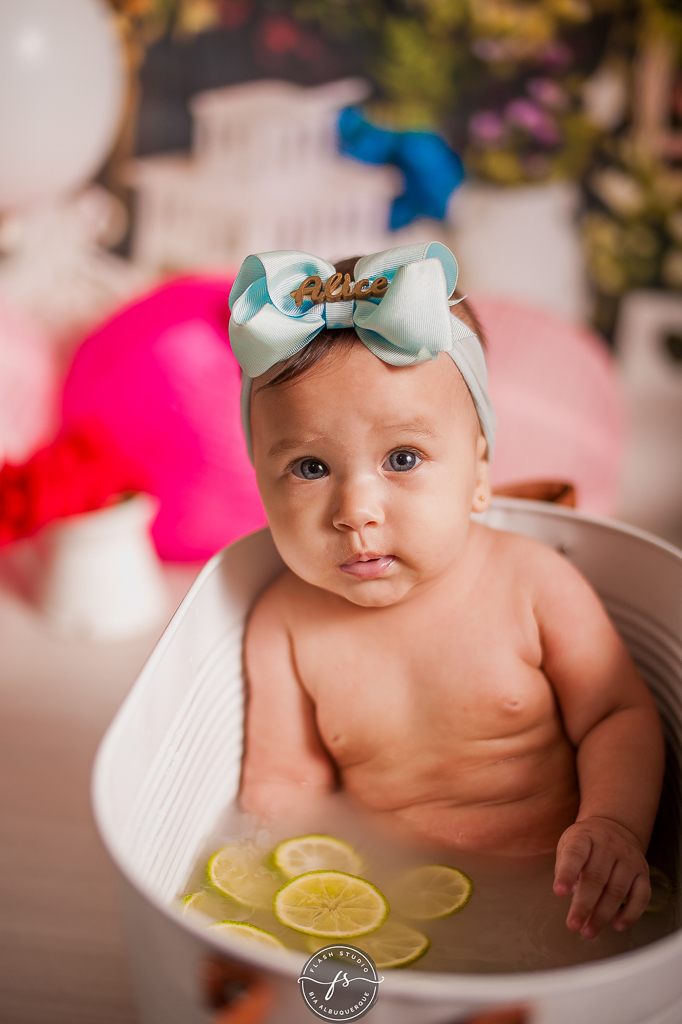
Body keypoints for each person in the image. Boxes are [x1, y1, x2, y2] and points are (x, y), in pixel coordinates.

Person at [228, 242, 664, 940]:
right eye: (309, 466)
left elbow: (618, 716)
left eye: (403, 458)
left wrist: (611, 826)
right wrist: (273, 888)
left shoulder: (533, 582)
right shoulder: (284, 622)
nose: (355, 508)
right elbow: (285, 787)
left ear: (480, 470)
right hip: (389, 902)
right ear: (259, 483)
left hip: (571, 890)